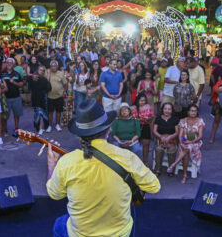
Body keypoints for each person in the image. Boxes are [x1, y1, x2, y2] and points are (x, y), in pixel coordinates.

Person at [47, 98, 160, 236]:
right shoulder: (127, 157)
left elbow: (55, 194)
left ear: (79, 135)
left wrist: (52, 166)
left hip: (81, 234)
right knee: (131, 212)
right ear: (108, 130)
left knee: (59, 223)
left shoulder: (66, 162)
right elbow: (154, 187)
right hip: (119, 233)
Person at [167, 104, 204, 183]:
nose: (193, 112)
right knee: (186, 149)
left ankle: (174, 165)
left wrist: (191, 142)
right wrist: (182, 142)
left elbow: (200, 136)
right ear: (188, 112)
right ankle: (184, 174)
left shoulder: (200, 121)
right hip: (184, 140)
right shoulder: (183, 121)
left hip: (196, 142)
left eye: (195, 111)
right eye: (191, 111)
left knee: (188, 147)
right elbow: (180, 135)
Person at [153, 102, 179, 177]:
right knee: (158, 149)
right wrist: (161, 136)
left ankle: (170, 169)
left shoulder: (175, 119)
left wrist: (170, 137)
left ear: (172, 110)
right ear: (162, 110)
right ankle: (158, 169)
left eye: (169, 109)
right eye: (165, 109)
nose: (167, 111)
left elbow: (177, 132)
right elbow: (154, 130)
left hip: (171, 140)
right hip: (160, 140)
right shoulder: (158, 118)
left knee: (172, 150)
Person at [1, 58, 24, 132]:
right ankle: (5, 129)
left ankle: (16, 128)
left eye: (11, 62)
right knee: (5, 115)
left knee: (17, 114)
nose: (9, 64)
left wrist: (14, 82)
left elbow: (21, 84)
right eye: (8, 62)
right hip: (5, 98)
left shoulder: (16, 73)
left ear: (13, 64)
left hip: (16, 97)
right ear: (6, 63)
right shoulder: (2, 73)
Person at [132, 93, 154, 165]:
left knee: (146, 144)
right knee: (134, 144)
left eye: (144, 101)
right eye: (141, 101)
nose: (143, 102)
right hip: (136, 127)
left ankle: (145, 161)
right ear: (138, 100)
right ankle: (135, 161)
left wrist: (148, 119)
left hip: (145, 127)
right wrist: (141, 119)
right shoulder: (134, 108)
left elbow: (151, 117)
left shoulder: (148, 107)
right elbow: (133, 119)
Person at [28, 65, 51, 135]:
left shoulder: (44, 79)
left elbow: (49, 88)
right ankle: (39, 128)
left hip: (43, 99)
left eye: (43, 70)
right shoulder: (32, 78)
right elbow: (30, 87)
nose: (42, 71)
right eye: (40, 70)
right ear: (37, 70)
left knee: (42, 113)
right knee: (37, 114)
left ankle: (41, 128)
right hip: (35, 98)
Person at [46, 60, 67, 133]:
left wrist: (64, 92)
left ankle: (57, 124)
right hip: (50, 96)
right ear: (50, 67)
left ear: (57, 67)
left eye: (55, 66)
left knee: (58, 111)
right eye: (52, 66)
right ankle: (49, 125)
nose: (53, 67)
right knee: (50, 112)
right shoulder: (47, 73)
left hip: (59, 96)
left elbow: (65, 84)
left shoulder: (61, 74)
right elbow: (45, 82)